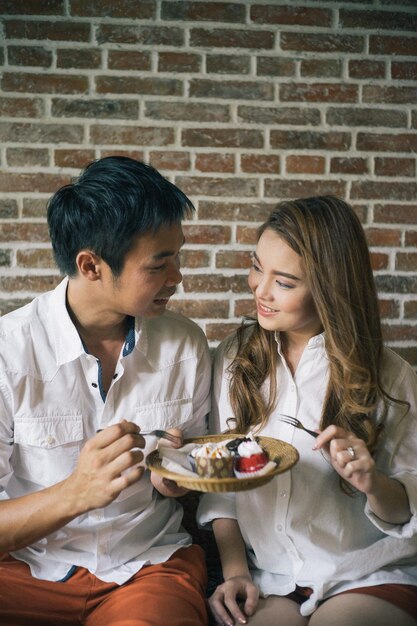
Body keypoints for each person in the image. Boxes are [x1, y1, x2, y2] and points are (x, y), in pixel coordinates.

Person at [0, 156, 211, 626]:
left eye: (178, 255)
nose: (177, 277)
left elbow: (195, 472)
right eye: (159, 264)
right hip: (26, 568)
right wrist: (77, 492)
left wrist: (176, 479)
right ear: (91, 265)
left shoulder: (186, 345)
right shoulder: (8, 352)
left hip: (146, 569)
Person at [197, 196, 417, 626]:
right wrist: (236, 574)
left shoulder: (391, 377)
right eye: (257, 266)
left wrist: (373, 482)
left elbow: (407, 509)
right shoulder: (235, 360)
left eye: (285, 281)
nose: (260, 289)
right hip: (272, 579)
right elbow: (220, 486)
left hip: (367, 573)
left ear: (329, 287)